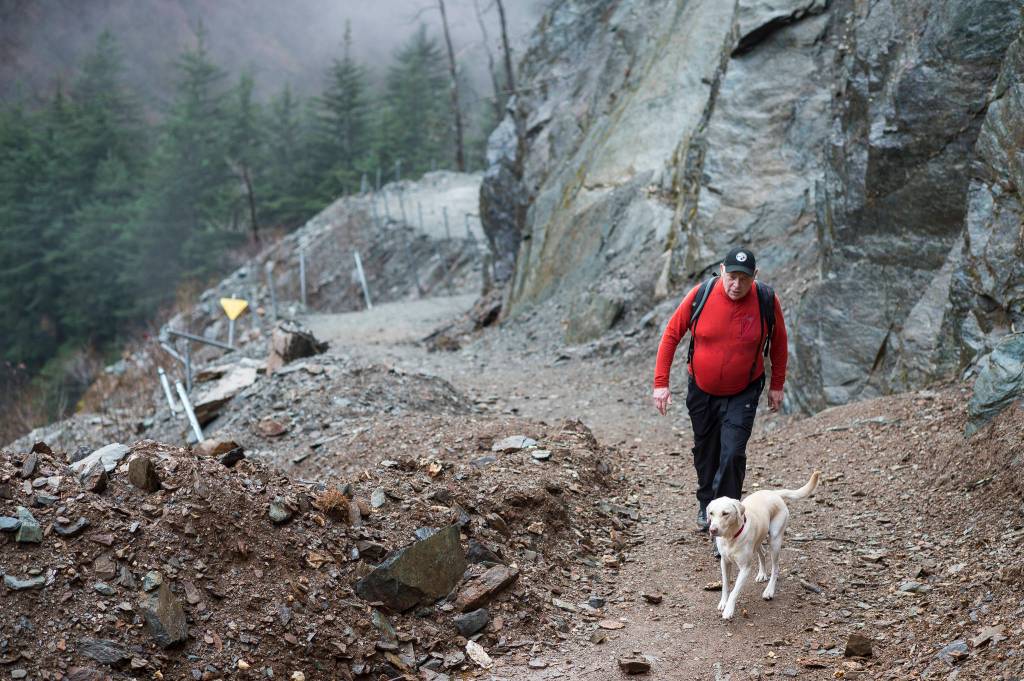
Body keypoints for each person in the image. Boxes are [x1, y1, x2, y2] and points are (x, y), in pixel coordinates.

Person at [651, 246, 788, 540]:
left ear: (755, 277)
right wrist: (661, 383)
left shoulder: (765, 299)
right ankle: (706, 505)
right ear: (722, 271)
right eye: (731, 277)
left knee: (733, 453)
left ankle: (728, 524)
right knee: (706, 451)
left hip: (744, 391)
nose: (736, 285)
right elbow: (671, 335)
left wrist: (777, 384)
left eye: (744, 279)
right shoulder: (701, 294)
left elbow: (779, 342)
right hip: (701, 389)